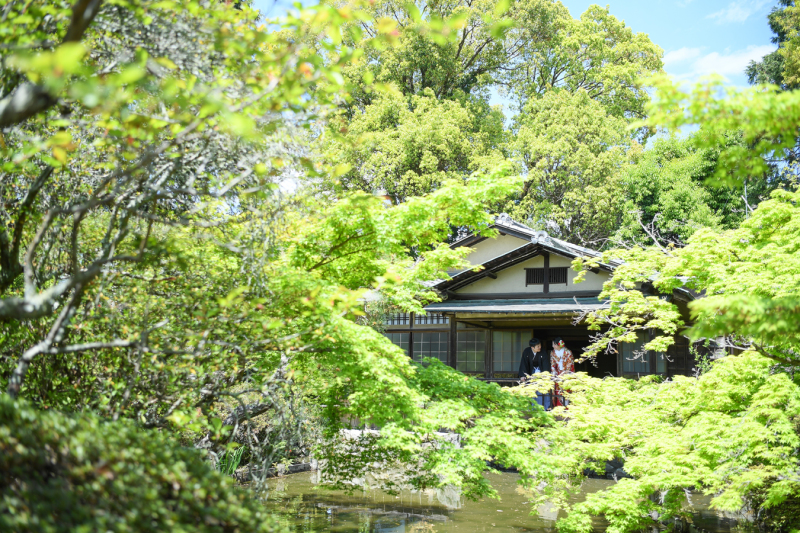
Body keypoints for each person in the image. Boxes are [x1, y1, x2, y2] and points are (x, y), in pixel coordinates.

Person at [518, 338, 551, 410]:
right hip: (531, 373)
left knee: (542, 391)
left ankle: (545, 408)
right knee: (531, 391)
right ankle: (532, 408)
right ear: (532, 347)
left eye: (540, 345)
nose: (540, 347)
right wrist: (523, 375)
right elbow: (524, 363)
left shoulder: (543, 352)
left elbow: (545, 364)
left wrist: (545, 375)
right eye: (538, 346)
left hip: (541, 373)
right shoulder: (527, 352)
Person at [550, 337, 574, 408]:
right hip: (557, 374)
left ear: (559, 344)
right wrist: (554, 373)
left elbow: (569, 365)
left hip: (566, 374)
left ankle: (566, 408)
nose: (553, 346)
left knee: (565, 391)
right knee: (557, 390)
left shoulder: (568, 352)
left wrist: (563, 373)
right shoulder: (552, 353)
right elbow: (552, 364)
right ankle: (557, 407)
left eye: (554, 344)